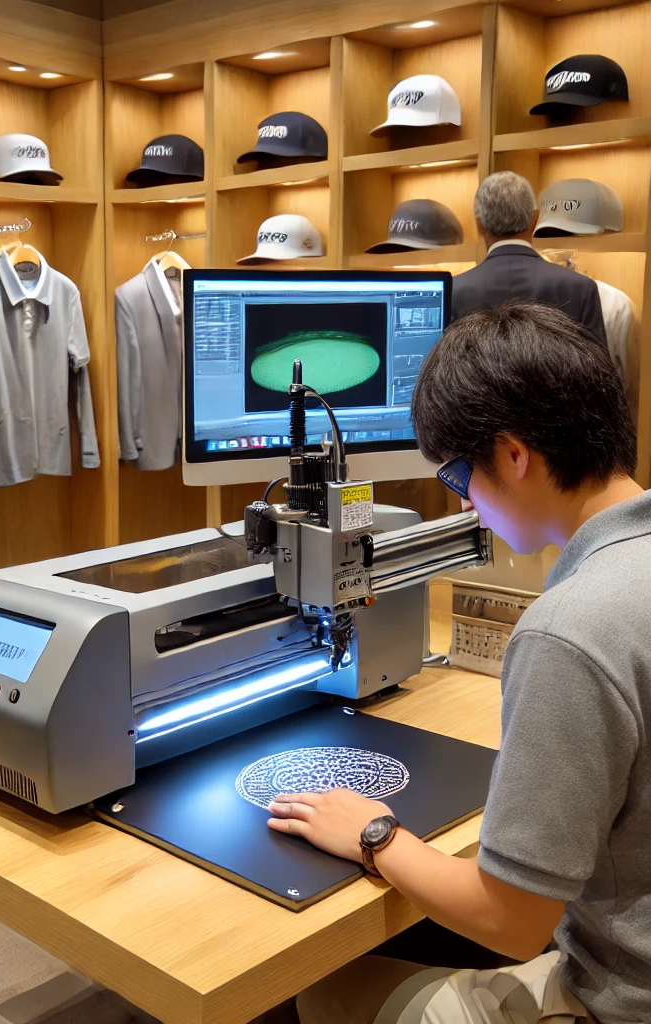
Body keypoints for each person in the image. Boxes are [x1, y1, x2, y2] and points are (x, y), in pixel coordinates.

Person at [270, 303, 649, 1024]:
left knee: (325, 992)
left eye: (453, 475)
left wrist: (375, 835)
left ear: (512, 454)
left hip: (621, 1001)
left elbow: (512, 923)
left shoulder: (570, 631)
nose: (466, 503)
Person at [451, 172, 607, 346]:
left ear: (479, 226)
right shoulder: (582, 289)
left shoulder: (452, 291)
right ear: (535, 219)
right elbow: (598, 370)